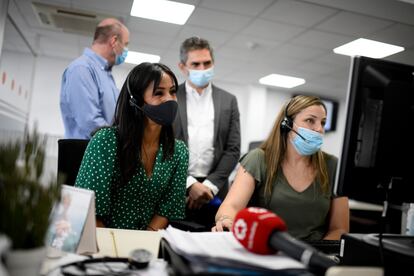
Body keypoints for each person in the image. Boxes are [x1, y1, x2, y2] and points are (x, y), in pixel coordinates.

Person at [213, 95, 349, 241]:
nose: (319, 129)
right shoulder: (258, 159)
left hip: (314, 254)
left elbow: (339, 228)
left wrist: (317, 256)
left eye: (322, 122)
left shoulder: (333, 165)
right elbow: (231, 206)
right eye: (310, 120)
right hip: (266, 249)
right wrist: (227, 219)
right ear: (286, 124)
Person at [75, 63, 188, 231]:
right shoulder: (106, 141)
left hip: (146, 245)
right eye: (159, 93)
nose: (170, 99)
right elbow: (90, 209)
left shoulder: (178, 151)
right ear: (136, 100)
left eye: (172, 91)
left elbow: (168, 209)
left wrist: (142, 245)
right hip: (103, 239)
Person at [173, 37, 241, 229]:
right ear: (182, 66)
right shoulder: (170, 97)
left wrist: (208, 188)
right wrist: (189, 184)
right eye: (195, 64)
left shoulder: (229, 100)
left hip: (215, 192)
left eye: (207, 63)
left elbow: (233, 149)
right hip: (177, 188)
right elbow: (164, 146)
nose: (202, 69)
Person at [60, 18, 130, 139]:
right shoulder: (82, 69)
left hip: (101, 151)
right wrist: (121, 141)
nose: (126, 50)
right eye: (125, 45)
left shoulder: (106, 73)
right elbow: (90, 122)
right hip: (84, 154)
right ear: (114, 41)